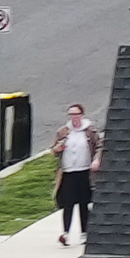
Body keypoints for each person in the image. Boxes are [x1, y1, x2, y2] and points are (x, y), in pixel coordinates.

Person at [51, 103, 103, 246]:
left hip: (84, 170)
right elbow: (54, 150)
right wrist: (58, 149)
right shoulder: (63, 132)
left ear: (81, 115)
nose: (74, 117)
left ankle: (84, 233)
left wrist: (96, 159)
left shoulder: (90, 131)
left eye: (76, 114)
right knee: (68, 203)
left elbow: (99, 146)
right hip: (68, 171)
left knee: (83, 203)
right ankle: (66, 233)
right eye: (71, 115)